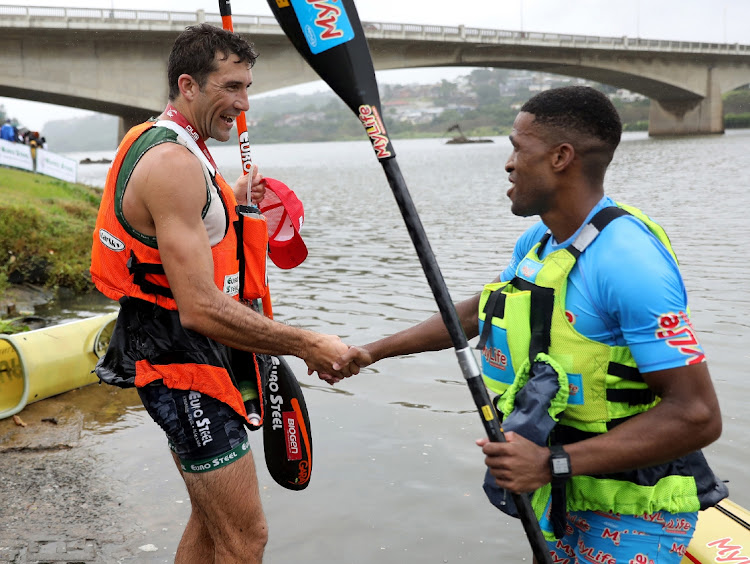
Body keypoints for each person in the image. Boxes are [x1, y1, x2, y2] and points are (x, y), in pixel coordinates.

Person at [330, 86, 727, 562]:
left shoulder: (629, 262)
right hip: (560, 495)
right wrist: (372, 352)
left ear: (561, 157)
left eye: (519, 147)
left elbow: (697, 414)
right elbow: (481, 310)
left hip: (634, 510)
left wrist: (551, 462)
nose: (509, 162)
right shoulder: (541, 239)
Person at [90, 23, 355, 564]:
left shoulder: (179, 144)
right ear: (188, 85)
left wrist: (228, 199)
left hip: (186, 354)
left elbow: (188, 227)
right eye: (231, 87)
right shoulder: (171, 163)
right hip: (179, 363)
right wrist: (305, 343)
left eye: (247, 87)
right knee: (245, 538)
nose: (244, 102)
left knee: (211, 522)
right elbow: (200, 307)